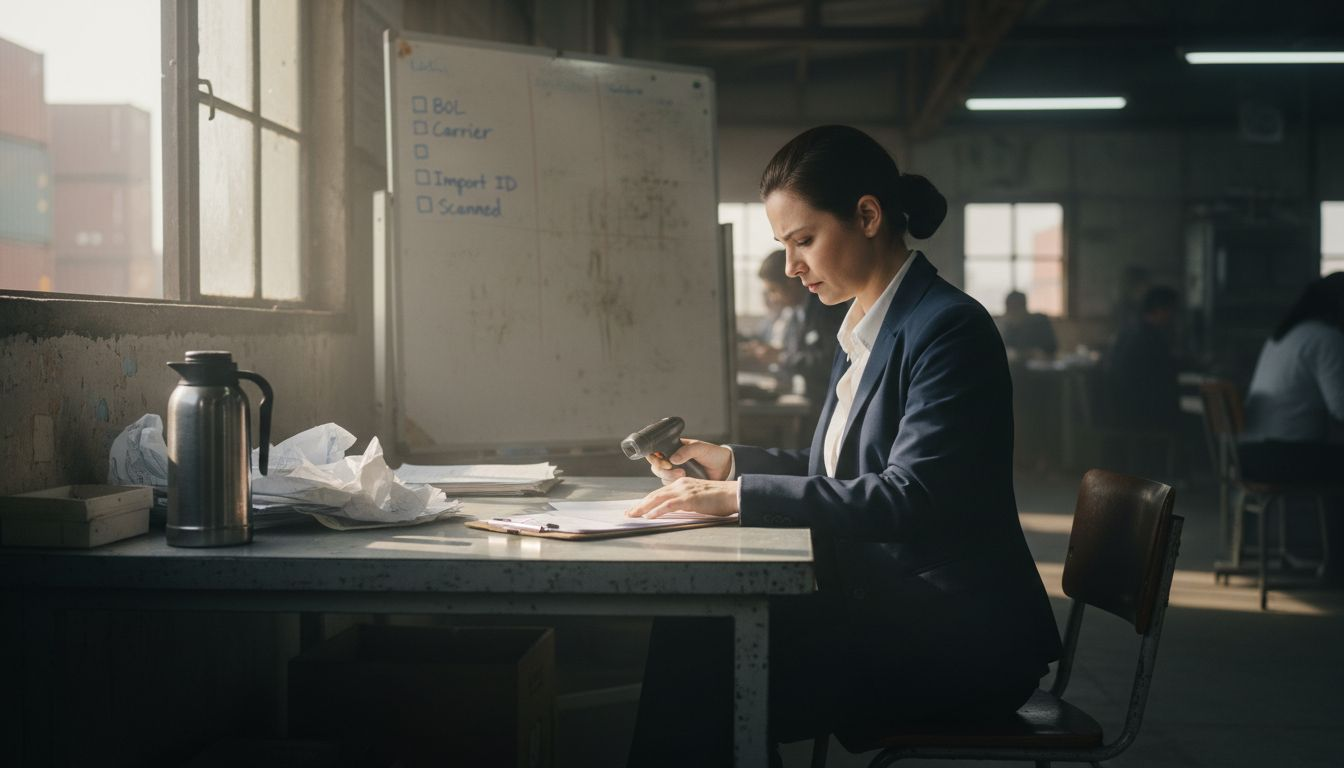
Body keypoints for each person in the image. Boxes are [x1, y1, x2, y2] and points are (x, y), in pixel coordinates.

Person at [624, 125, 1061, 766]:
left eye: (804, 241)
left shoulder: (949, 328)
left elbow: (911, 496)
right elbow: (839, 470)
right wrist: (732, 464)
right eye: (785, 245)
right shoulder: (866, 322)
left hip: (953, 642)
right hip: (889, 606)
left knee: (705, 657)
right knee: (700, 631)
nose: (793, 265)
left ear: (867, 216)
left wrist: (738, 498)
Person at [1240, 273, 1344, 581]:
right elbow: (1341, 408)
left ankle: (1332, 561)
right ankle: (1337, 565)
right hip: (1282, 456)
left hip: (1253, 454)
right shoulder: (1327, 339)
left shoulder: (1283, 336)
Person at [740, 249, 846, 412]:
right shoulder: (797, 312)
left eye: (774, 290)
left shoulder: (826, 308)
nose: (773, 298)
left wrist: (782, 357)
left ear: (790, 284)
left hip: (826, 402)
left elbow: (831, 358)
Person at [1104, 286, 1181, 430]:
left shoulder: (1127, 331)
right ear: (1160, 309)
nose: (1173, 316)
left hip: (1121, 407)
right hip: (1142, 410)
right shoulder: (1151, 336)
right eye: (1172, 310)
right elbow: (1168, 368)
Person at [998, 290, 1057, 361]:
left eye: (1015, 307)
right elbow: (1008, 351)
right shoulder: (1009, 327)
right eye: (1009, 308)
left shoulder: (1040, 322)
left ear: (1023, 307)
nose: (1011, 312)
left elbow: (1051, 349)